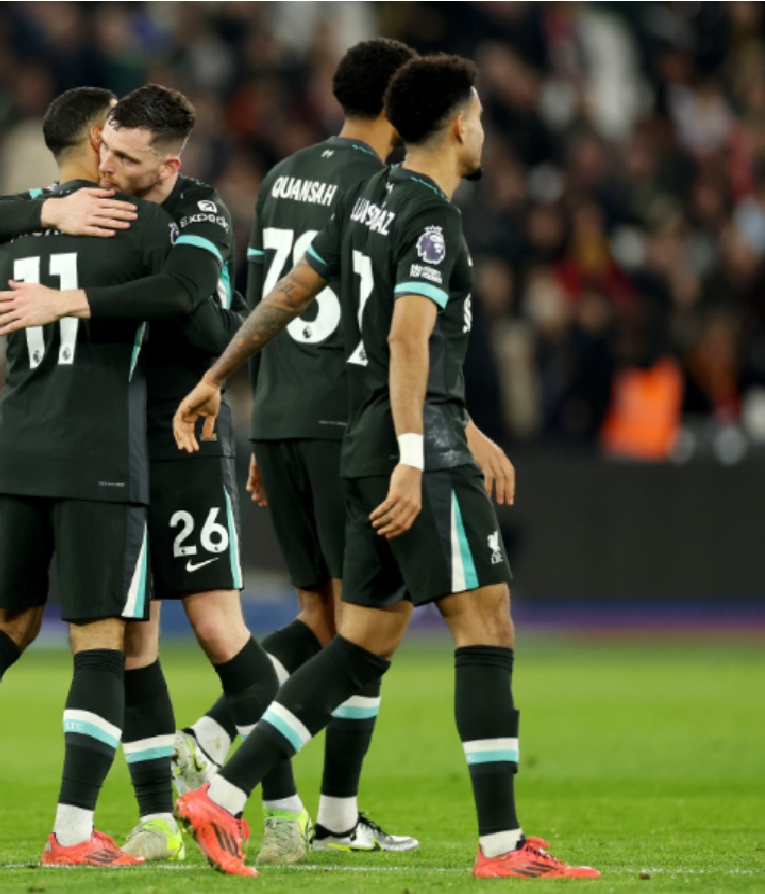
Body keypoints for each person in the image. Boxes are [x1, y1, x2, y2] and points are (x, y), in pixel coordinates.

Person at [170, 55, 601, 880]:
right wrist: (418, 457)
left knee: (361, 642)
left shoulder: (365, 197)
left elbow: (289, 291)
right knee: (488, 625)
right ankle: (504, 849)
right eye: (478, 116)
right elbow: (408, 339)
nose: (483, 129)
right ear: (458, 125)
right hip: (414, 448)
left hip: (362, 442)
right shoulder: (434, 220)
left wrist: (219, 374)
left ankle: (221, 793)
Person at [0, 84, 309, 865]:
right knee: (132, 643)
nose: (108, 167)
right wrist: (48, 213)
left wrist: (72, 301)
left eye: (126, 158)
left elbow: (187, 297)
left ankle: (281, 808)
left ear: (168, 163)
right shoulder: (95, 205)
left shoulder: (196, 211)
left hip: (186, 438)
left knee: (220, 627)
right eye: (106, 150)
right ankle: (158, 819)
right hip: (113, 448)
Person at [0, 85, 178, 869]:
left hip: (15, 448)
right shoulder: (138, 222)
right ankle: (72, 831)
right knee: (101, 640)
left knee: (4, 625)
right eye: (120, 130)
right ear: (99, 140)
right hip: (98, 460)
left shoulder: (19, 232)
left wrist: (45, 211)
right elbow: (188, 300)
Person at [174, 38, 423, 856]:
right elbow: (382, 318)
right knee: (364, 628)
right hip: (346, 418)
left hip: (278, 414)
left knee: (320, 617)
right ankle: (326, 811)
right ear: (399, 106)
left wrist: (260, 414)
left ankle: (215, 736)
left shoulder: (283, 175)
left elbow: (267, 298)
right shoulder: (387, 187)